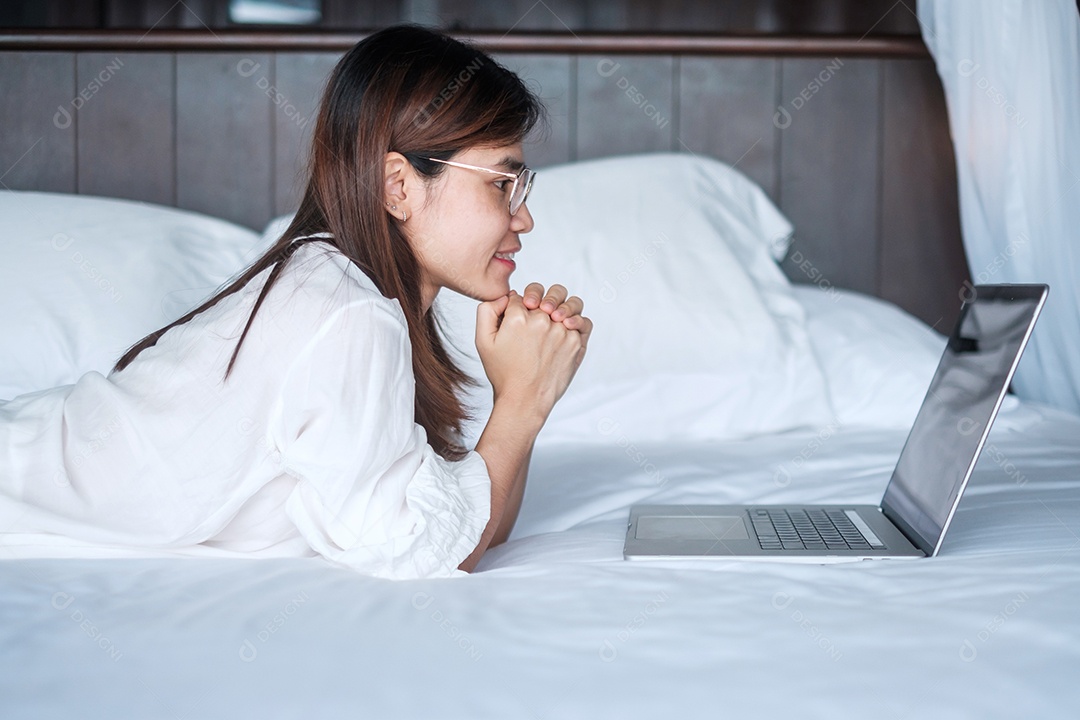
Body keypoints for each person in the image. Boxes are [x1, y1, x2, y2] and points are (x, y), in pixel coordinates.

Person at [0, 25, 591, 579]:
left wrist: (525, 397)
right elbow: (422, 554)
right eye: (501, 184)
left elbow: (467, 528)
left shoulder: (346, 291)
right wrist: (522, 402)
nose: (525, 216)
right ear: (398, 186)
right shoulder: (344, 309)